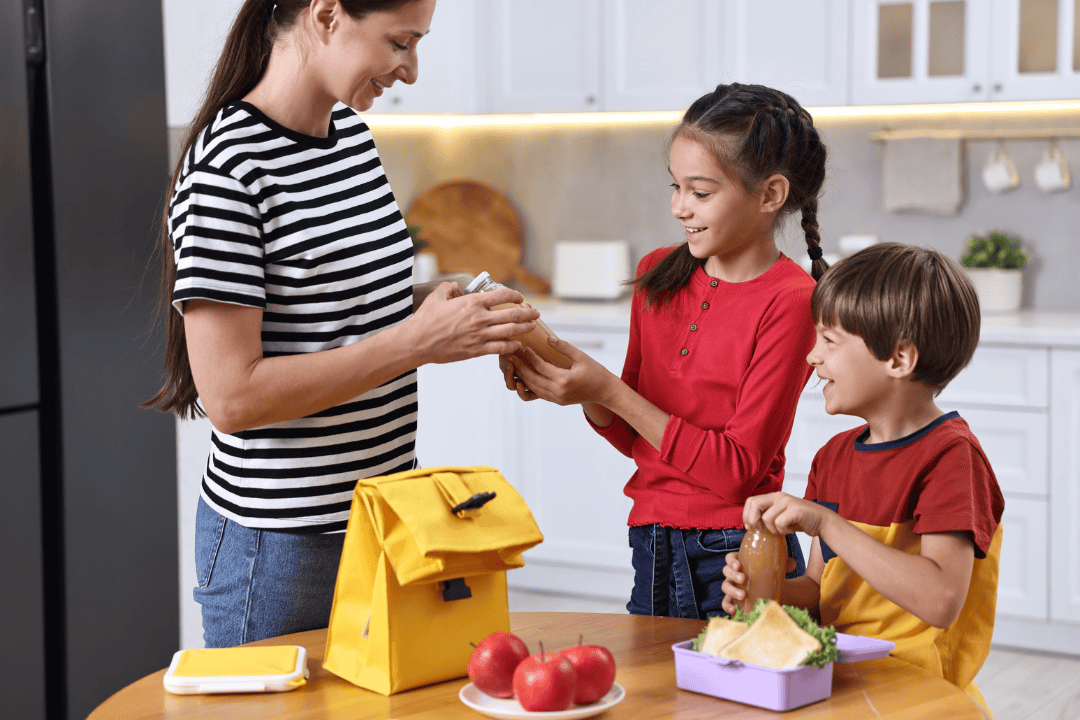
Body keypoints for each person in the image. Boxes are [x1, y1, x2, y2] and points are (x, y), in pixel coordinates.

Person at [142, 0, 540, 648]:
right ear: (326, 16)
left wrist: (442, 306)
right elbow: (233, 397)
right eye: (400, 42)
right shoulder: (228, 168)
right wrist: (415, 343)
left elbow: (340, 307)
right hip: (279, 547)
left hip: (381, 515)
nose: (408, 70)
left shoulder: (350, 139)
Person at [502, 84, 829, 620]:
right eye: (676, 187)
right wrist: (578, 390)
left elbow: (736, 472)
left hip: (738, 555)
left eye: (700, 193)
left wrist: (608, 389)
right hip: (651, 541)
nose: (679, 207)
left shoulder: (791, 301)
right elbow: (637, 440)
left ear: (770, 194)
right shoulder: (661, 273)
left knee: (733, 702)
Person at [720, 242, 1004, 716]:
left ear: (898, 359)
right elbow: (818, 593)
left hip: (921, 698)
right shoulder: (832, 458)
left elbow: (940, 601)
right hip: (839, 686)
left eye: (830, 341)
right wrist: (767, 594)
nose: (812, 356)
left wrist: (826, 524)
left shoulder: (952, 457)